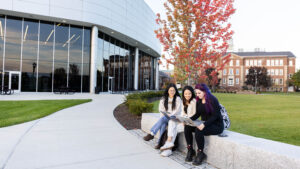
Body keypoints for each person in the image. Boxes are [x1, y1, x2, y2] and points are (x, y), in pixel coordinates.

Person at [184, 83, 224, 166]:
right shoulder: (199, 100)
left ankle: (200, 153)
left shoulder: (213, 99)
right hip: (205, 123)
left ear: (204, 92)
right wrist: (188, 120)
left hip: (216, 125)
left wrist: (204, 125)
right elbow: (197, 114)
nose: (197, 95)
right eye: (196, 93)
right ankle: (190, 150)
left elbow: (216, 116)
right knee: (187, 127)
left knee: (199, 129)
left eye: (199, 93)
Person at [143, 83, 182, 157]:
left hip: (174, 118)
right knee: (163, 123)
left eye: (173, 90)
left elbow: (177, 110)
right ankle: (158, 142)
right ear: (168, 91)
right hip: (165, 117)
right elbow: (161, 109)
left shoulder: (177, 99)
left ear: (175, 91)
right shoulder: (164, 99)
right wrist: (166, 114)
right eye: (170, 90)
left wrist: (170, 115)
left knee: (163, 121)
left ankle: (152, 134)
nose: (172, 92)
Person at [180, 86, 197, 162]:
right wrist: (183, 120)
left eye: (189, 93)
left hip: (194, 123)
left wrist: (186, 121)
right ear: (183, 94)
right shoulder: (183, 101)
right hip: (187, 122)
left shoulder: (194, 102)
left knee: (187, 128)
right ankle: (190, 149)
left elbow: (194, 115)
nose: (187, 95)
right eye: (186, 94)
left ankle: (190, 151)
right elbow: (183, 113)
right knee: (185, 127)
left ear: (192, 93)